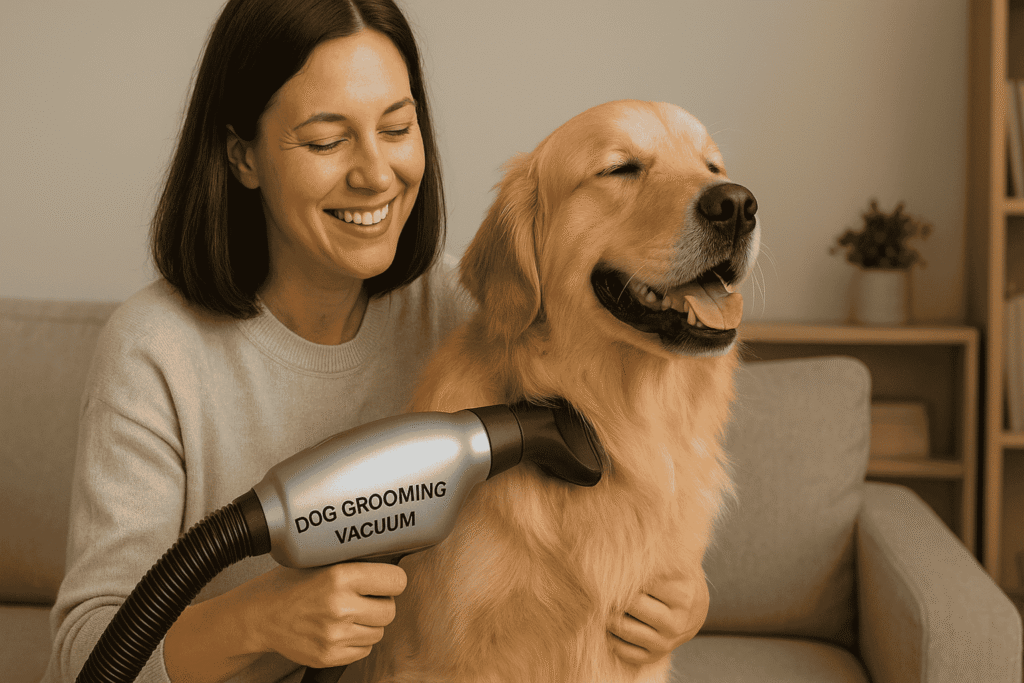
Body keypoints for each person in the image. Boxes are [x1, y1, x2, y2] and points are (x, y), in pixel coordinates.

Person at [43, 1, 707, 681]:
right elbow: (85, 659)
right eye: (327, 141)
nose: (376, 174)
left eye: (397, 128)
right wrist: (264, 619)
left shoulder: (475, 313)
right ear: (243, 155)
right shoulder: (156, 350)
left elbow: (614, 482)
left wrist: (680, 594)